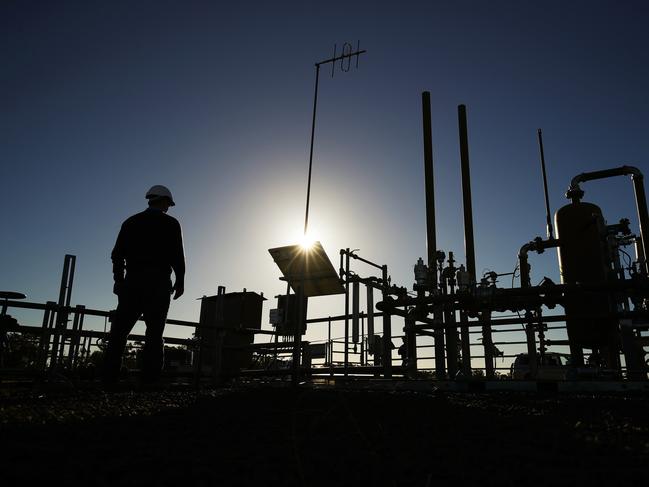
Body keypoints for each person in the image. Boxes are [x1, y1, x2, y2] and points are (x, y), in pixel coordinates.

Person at [102, 185, 185, 386]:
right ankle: (149, 381)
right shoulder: (171, 224)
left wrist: (119, 280)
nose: (169, 207)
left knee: (119, 332)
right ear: (164, 201)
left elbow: (117, 255)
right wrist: (180, 281)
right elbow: (177, 256)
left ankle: (109, 379)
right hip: (158, 285)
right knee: (154, 334)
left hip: (133, 283)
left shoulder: (131, 222)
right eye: (168, 203)